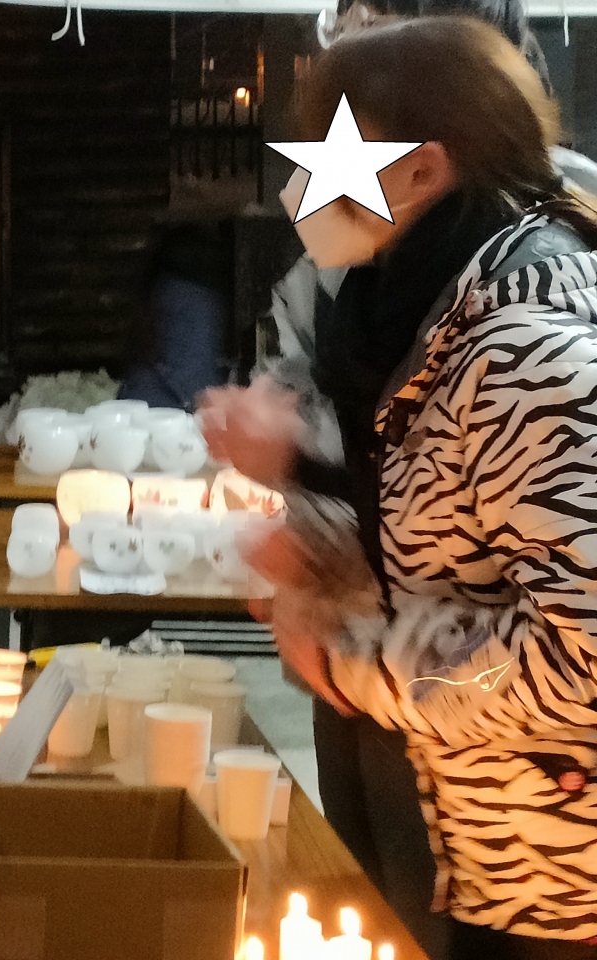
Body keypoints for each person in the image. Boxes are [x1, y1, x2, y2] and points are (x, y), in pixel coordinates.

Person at [204, 17, 597, 958]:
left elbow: (580, 663)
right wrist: (313, 526)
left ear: (424, 169)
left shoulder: (525, 349)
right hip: (462, 819)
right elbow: (449, 536)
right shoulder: (419, 309)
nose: (303, 190)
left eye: (331, 154)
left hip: (546, 873)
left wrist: (359, 662)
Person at [117, 221, 231, 411]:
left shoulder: (162, 290)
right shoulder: (197, 304)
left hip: (144, 401)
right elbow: (194, 380)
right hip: (167, 408)